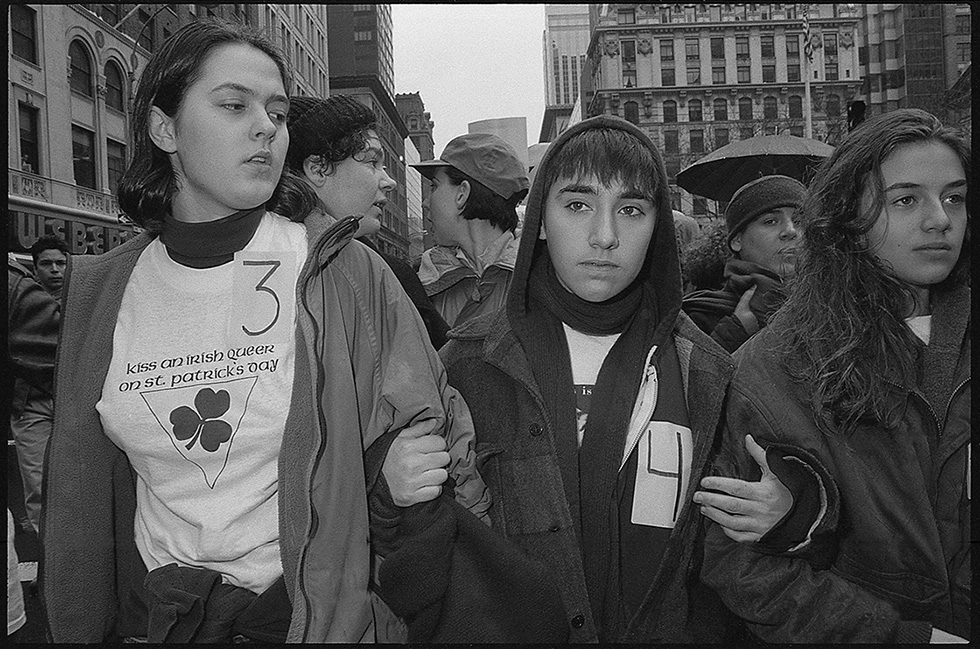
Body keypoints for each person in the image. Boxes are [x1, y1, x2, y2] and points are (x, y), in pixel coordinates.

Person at [40, 19, 488, 643]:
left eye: (277, 114)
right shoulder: (101, 292)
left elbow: (440, 442)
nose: (265, 129)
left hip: (314, 622)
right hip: (160, 623)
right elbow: (82, 503)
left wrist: (386, 486)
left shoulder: (342, 270)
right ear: (164, 128)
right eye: (233, 105)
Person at [440, 115, 794, 642]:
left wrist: (793, 512)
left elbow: (736, 557)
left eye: (630, 210)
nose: (604, 237)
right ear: (539, 218)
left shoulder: (707, 372)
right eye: (578, 205)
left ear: (656, 229)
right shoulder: (466, 365)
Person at [699, 109, 971, 643]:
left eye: (955, 197)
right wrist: (899, 638)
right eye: (906, 199)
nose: (940, 219)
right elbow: (740, 564)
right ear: (849, 216)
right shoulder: (777, 367)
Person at [274, 94, 449, 349]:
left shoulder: (383, 271)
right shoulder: (383, 276)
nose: (390, 183)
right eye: (372, 162)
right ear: (318, 168)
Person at [413, 132, 529, 328]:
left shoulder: (539, 275)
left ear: (462, 194)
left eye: (434, 186)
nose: (425, 202)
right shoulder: (419, 279)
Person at [682, 175, 804, 353]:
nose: (790, 231)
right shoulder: (697, 318)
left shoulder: (836, 302)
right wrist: (733, 334)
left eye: (799, 221)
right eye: (771, 221)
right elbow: (689, 379)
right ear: (737, 240)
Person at [9, 236, 68, 535]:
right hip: (29, 403)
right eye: (47, 264)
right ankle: (50, 562)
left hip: (72, 399)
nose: (55, 270)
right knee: (38, 483)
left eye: (60, 263)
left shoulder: (80, 300)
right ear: (35, 268)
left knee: (79, 481)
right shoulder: (18, 299)